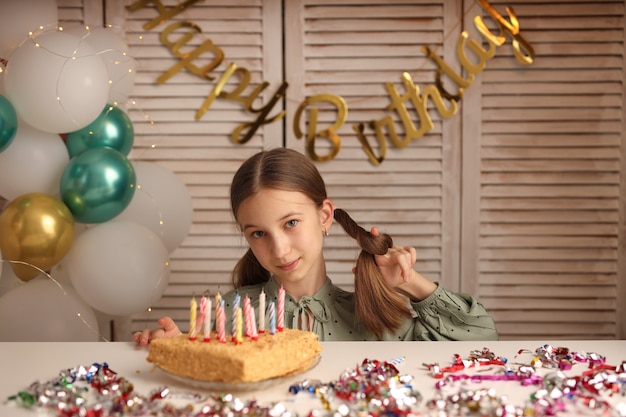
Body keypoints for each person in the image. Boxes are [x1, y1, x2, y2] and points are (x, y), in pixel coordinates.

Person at [134, 148, 498, 344]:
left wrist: (410, 284)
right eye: (258, 233)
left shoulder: (380, 320)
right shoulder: (228, 315)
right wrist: (176, 345)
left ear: (325, 216)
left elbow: (483, 338)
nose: (279, 250)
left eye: (291, 223)